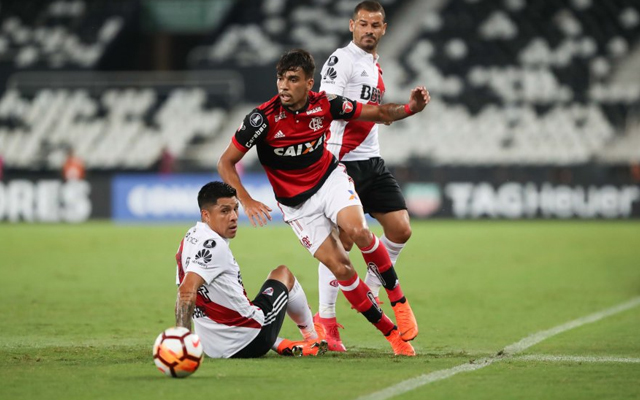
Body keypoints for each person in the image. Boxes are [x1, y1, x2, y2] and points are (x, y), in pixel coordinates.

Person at [217, 49, 429, 356]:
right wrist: (246, 200)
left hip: (329, 181)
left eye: (292, 79)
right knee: (342, 268)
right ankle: (393, 335)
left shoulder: (326, 105)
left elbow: (379, 114)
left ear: (309, 83)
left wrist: (411, 108)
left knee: (358, 231)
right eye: (280, 79)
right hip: (297, 207)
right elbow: (226, 162)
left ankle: (398, 299)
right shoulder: (262, 118)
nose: (283, 86)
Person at [315, 1, 417, 352]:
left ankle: (371, 287)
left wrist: (402, 110)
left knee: (401, 228)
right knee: (340, 243)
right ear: (351, 25)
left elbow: (373, 113)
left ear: (384, 29)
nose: (369, 30)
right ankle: (326, 321)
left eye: (375, 25)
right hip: (341, 161)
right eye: (363, 24)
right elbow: (328, 105)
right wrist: (383, 112)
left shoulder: (374, 65)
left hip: (372, 160)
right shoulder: (341, 60)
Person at [175, 181, 327, 358]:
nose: (233, 217)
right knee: (282, 274)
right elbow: (186, 290)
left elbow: (184, 288)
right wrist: (182, 344)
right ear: (206, 215)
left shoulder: (189, 238)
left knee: (236, 303)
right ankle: (313, 335)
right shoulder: (215, 245)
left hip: (212, 347)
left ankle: (281, 343)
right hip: (250, 341)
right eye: (224, 211)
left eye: (235, 209)